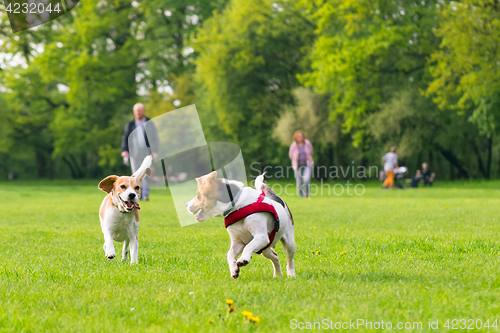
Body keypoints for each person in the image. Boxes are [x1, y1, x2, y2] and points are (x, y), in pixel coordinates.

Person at [121, 103, 159, 200]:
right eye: (136, 110)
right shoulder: (130, 124)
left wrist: (155, 151)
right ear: (134, 112)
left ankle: (145, 195)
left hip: (146, 153)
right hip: (134, 153)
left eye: (140, 110)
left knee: (145, 174)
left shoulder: (149, 123)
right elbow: (125, 138)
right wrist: (125, 150)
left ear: (143, 111)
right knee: (135, 175)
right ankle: (137, 195)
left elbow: (155, 138)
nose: (138, 112)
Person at [289, 130, 314, 198]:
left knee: (306, 179)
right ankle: (300, 196)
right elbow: (291, 155)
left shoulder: (307, 143)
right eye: (298, 137)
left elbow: (311, 152)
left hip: (307, 165)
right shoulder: (294, 145)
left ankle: (307, 195)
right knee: (299, 182)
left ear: (303, 137)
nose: (300, 138)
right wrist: (294, 161)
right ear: (296, 138)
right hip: (297, 166)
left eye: (301, 136)